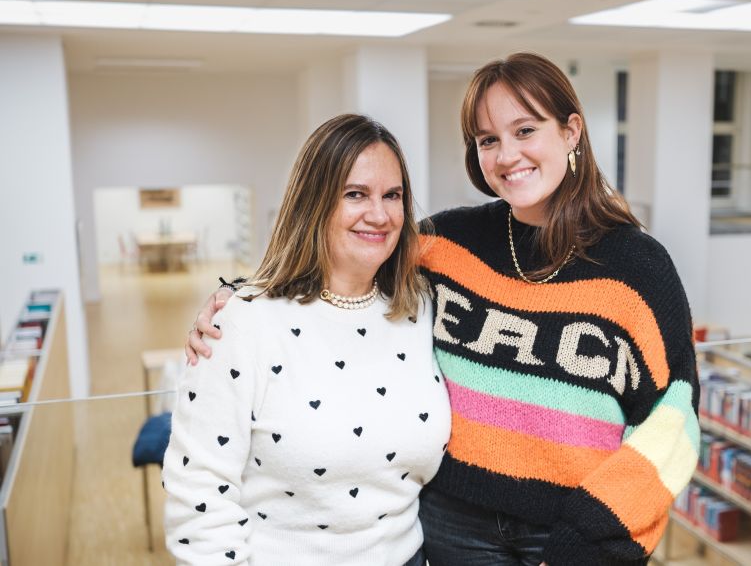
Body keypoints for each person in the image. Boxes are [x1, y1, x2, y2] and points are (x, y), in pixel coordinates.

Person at [188, 53, 700, 565]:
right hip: (451, 526)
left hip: (573, 531)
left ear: (571, 132)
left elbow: (672, 422)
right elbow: (346, 254)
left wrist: (590, 544)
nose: (506, 156)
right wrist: (240, 296)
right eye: (488, 140)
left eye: (525, 130)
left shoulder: (639, 266)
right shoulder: (445, 242)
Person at [164, 114, 451, 565]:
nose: (379, 214)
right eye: (355, 194)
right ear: (313, 202)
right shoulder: (241, 322)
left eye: (392, 196)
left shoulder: (421, 306)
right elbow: (198, 492)